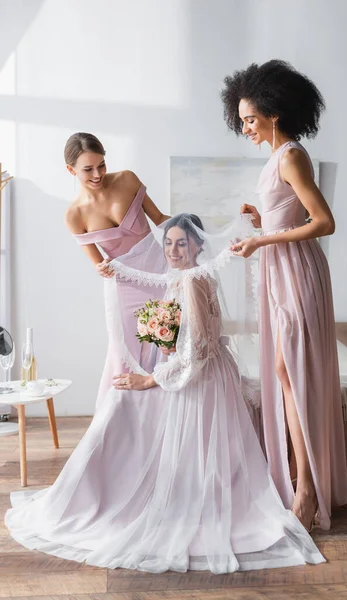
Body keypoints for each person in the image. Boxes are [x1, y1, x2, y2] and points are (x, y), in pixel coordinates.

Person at [5, 214, 324, 574]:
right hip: (205, 372)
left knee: (147, 418)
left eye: (182, 243)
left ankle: (135, 496)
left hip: (202, 380)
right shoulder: (188, 276)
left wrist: (151, 380)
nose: (173, 250)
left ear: (198, 246)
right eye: (168, 243)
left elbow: (198, 350)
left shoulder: (190, 281)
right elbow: (190, 341)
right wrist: (166, 343)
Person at [221, 59, 347, 531]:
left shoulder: (291, 154)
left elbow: (324, 222)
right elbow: (290, 214)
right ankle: (303, 480)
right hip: (280, 269)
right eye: (241, 120)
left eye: (250, 119)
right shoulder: (277, 159)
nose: (245, 127)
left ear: (274, 114)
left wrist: (263, 240)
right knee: (283, 371)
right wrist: (262, 221)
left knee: (292, 370)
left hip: (296, 270)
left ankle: (307, 490)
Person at [64, 132, 170, 406]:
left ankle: (166, 420)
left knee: (168, 344)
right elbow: (97, 262)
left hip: (161, 274)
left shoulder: (127, 180)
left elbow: (160, 219)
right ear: (70, 170)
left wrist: (200, 232)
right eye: (88, 169)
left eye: (101, 165)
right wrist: (100, 268)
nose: (98, 174)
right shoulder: (74, 214)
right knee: (126, 352)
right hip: (123, 287)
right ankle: (124, 423)